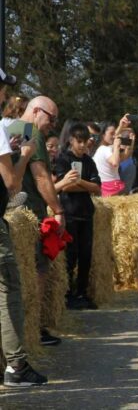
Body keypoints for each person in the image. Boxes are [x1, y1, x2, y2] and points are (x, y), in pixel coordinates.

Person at [0, 69, 48, 386]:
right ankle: (16, 364)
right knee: (9, 289)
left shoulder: (10, 126)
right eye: (5, 91)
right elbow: (12, 184)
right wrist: (26, 154)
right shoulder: (6, 129)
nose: (6, 97)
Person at [19, 96, 66, 346]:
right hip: (30, 213)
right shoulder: (33, 134)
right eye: (51, 118)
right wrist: (58, 209)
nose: (53, 125)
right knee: (38, 270)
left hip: (18, 213)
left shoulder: (16, 128)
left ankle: (27, 330)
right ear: (36, 111)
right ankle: (33, 330)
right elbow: (40, 176)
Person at [54, 123, 101, 309]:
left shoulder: (89, 162)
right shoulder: (63, 159)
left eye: (85, 142)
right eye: (79, 142)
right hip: (70, 212)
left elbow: (97, 188)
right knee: (70, 255)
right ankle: (67, 294)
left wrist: (80, 181)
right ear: (71, 140)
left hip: (86, 213)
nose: (82, 146)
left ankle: (82, 292)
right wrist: (85, 185)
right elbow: (65, 186)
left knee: (85, 255)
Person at [92, 116, 134, 197]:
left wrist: (130, 143)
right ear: (103, 135)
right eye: (112, 134)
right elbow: (115, 162)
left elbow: (124, 157)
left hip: (108, 187)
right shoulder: (105, 149)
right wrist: (116, 146)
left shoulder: (103, 149)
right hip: (110, 188)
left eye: (115, 133)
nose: (114, 136)